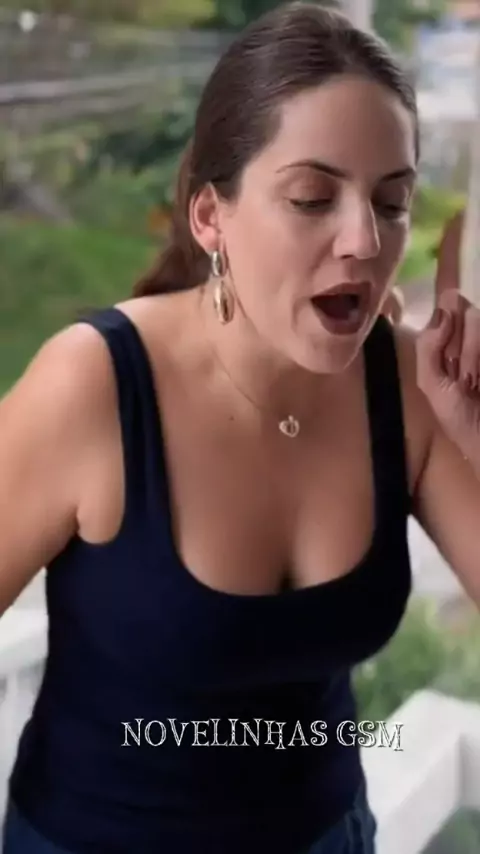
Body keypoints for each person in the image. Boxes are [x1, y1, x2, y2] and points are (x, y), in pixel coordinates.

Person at [1, 4, 480, 853]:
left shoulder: (412, 385)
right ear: (209, 217)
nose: (365, 241)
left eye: (392, 201)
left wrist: (473, 434)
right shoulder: (95, 386)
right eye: (311, 198)